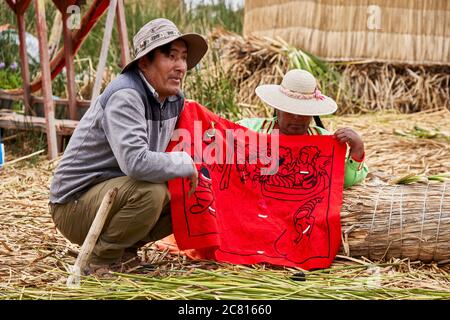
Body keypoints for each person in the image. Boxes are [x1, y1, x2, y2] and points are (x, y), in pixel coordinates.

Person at [48, 18, 208, 273]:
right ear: (145, 62)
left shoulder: (174, 100)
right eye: (171, 56)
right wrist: (184, 162)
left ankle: (124, 252)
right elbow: (136, 162)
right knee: (152, 192)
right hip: (74, 204)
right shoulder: (127, 95)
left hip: (115, 195)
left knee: (185, 196)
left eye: (184, 58)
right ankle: (100, 259)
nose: (180, 67)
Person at [237, 69, 368, 188]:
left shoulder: (323, 141)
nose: (297, 117)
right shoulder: (249, 130)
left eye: (303, 112)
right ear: (278, 108)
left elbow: (343, 181)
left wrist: (357, 149)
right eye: (290, 111)